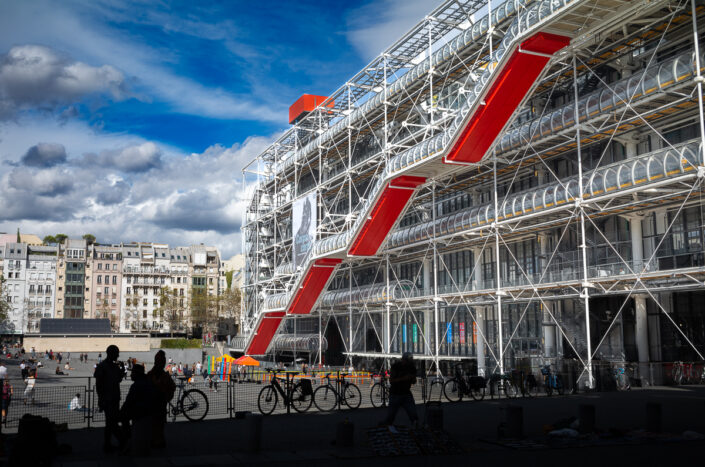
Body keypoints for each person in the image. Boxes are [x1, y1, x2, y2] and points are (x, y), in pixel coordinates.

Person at [94, 345, 126, 452]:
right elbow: (99, 385)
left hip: (114, 398)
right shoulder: (103, 366)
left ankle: (107, 445)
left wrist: (121, 368)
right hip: (108, 399)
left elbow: (119, 379)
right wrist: (101, 399)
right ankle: (122, 441)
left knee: (110, 423)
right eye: (116, 353)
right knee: (112, 422)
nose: (118, 355)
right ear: (111, 353)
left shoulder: (112, 366)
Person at [121, 364, 157, 455]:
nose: (130, 375)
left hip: (139, 412)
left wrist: (121, 412)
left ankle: (127, 441)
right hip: (148, 411)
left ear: (137, 374)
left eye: (132, 373)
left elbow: (128, 402)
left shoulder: (136, 385)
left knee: (122, 418)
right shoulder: (148, 382)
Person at [382, 352, 419, 427]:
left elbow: (414, 381)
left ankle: (416, 428)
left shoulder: (412, 367)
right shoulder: (396, 366)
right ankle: (386, 428)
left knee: (413, 415)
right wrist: (404, 378)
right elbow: (392, 381)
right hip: (396, 393)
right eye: (408, 361)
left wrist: (412, 379)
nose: (409, 363)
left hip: (405, 393)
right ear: (403, 360)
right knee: (390, 417)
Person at [147, 350, 175, 449]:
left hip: (155, 404)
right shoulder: (164, 376)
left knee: (155, 423)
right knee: (159, 424)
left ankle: (156, 441)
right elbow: (172, 387)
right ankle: (159, 441)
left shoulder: (151, 374)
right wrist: (167, 397)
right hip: (160, 403)